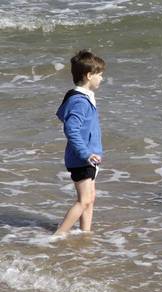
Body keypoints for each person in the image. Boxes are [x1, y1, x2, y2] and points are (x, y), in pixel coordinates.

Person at [54, 50, 105, 236]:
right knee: (84, 200)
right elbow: (71, 129)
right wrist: (85, 153)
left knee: (90, 198)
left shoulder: (83, 97)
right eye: (99, 75)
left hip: (89, 158)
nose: (101, 79)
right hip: (82, 158)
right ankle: (59, 235)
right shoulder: (79, 101)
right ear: (89, 75)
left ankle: (86, 233)